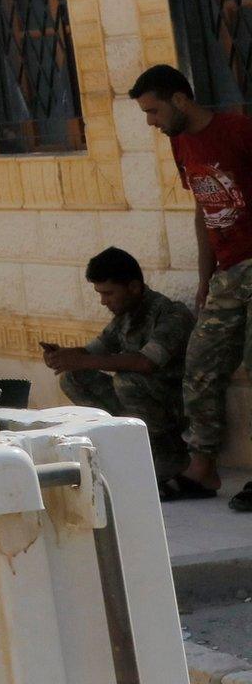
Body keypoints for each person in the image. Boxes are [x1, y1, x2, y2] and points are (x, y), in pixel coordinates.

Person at [129, 64, 252, 509]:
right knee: (201, 363)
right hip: (228, 271)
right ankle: (202, 468)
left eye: (154, 110)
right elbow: (203, 210)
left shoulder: (238, 131)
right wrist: (207, 277)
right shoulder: (181, 142)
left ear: (181, 99)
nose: (151, 121)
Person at [43, 246, 193, 483]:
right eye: (100, 293)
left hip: (178, 407)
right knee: (74, 377)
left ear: (133, 287)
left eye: (109, 293)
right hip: (144, 403)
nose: (103, 301)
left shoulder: (171, 315)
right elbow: (94, 351)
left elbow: (146, 363)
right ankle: (123, 444)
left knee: (127, 380)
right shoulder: (126, 316)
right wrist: (64, 356)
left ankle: (167, 456)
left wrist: (81, 359)